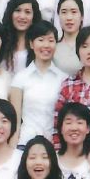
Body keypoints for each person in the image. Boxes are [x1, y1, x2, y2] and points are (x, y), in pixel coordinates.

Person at [9, 19, 63, 148]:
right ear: (31, 44)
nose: (46, 45)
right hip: (25, 144)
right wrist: (13, 147)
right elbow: (15, 119)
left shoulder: (63, 79)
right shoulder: (20, 78)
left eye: (51, 40)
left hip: (53, 146)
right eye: (41, 40)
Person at [53, 102, 90, 179]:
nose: (74, 128)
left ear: (88, 128)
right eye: (68, 123)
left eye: (79, 122)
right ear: (61, 128)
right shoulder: (52, 161)